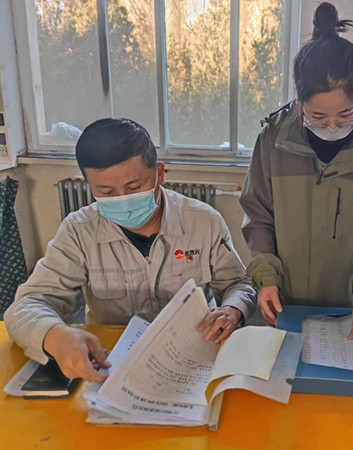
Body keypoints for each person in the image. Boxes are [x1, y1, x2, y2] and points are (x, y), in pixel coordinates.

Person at [5, 118, 256, 381]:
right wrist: (55, 336)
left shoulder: (203, 221)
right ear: (90, 186)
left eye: (134, 187)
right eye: (106, 192)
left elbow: (238, 283)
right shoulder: (79, 231)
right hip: (113, 360)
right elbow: (27, 305)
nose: (123, 200)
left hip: (193, 352)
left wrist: (233, 310)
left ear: (159, 174)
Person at [240, 2, 353, 343]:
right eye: (317, 116)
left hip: (347, 309)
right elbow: (258, 218)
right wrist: (266, 279)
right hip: (284, 304)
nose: (331, 126)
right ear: (299, 102)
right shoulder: (273, 143)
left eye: (345, 115)